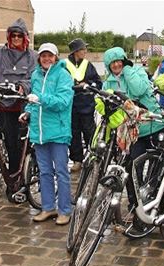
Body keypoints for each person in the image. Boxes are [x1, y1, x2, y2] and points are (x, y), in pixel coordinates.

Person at [103, 47, 164, 212]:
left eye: (119, 61)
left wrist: (128, 71)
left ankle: (153, 203)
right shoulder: (108, 82)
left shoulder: (136, 71)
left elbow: (138, 90)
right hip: (131, 132)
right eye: (112, 62)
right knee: (133, 168)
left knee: (155, 168)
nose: (116, 65)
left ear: (124, 60)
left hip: (152, 125)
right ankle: (134, 205)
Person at [20, 43, 74, 225]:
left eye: (50, 56)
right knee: (44, 172)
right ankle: (48, 207)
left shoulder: (63, 75)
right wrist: (27, 111)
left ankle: (65, 210)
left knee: (61, 172)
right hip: (39, 131)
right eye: (43, 56)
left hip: (58, 131)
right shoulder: (35, 75)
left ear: (56, 57)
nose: (46, 59)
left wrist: (41, 99)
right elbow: (33, 99)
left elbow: (63, 102)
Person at [0, 18, 37, 202]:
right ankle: (5, 177)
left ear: (25, 37)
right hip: (4, 106)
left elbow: (36, 77)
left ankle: (18, 181)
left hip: (22, 107)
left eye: (19, 35)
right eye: (13, 35)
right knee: (7, 143)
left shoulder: (33, 56)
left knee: (20, 146)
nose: (16, 38)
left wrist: (23, 86)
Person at [65, 38, 102, 173]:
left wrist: (87, 85)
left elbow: (98, 83)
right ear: (76, 51)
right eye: (83, 49)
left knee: (89, 132)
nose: (85, 52)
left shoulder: (88, 65)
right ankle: (77, 160)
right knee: (73, 134)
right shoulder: (64, 65)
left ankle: (92, 157)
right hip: (71, 105)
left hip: (86, 105)